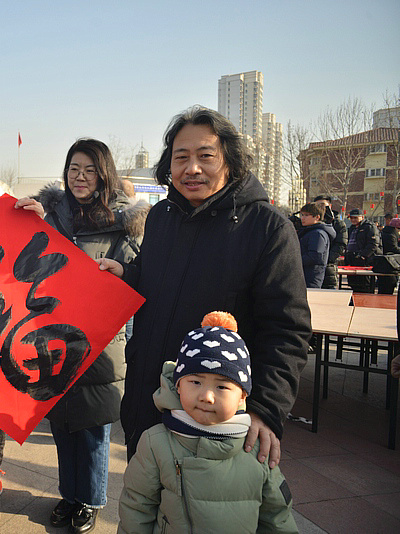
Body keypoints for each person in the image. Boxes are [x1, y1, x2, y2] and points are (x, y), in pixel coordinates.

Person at [97, 107, 310, 469]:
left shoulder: (266, 228)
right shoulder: (162, 217)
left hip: (215, 418)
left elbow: (286, 329)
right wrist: (126, 275)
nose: (191, 168)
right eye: (181, 157)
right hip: (150, 402)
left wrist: (266, 411)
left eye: (205, 156)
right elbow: (153, 280)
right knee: (142, 509)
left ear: (230, 161)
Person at [31, 138, 148, 534]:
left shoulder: (124, 223)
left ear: (103, 175)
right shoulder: (50, 216)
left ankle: (92, 500)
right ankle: (69, 495)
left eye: (89, 170)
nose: (80, 178)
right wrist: (26, 219)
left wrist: (119, 271)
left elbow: (137, 280)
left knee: (95, 429)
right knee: (62, 426)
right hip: (54, 340)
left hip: (101, 344)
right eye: (73, 169)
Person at [118, 312, 298, 534]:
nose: (207, 396)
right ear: (178, 385)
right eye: (195, 382)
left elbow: (277, 517)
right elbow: (136, 507)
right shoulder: (156, 443)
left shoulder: (257, 448)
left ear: (243, 395)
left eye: (222, 386)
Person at [297, 202, 334, 288]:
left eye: (306, 215)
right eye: (302, 215)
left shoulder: (317, 234)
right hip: (304, 275)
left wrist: (294, 261)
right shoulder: (309, 232)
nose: (302, 218)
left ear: (317, 217)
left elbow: (315, 256)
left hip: (311, 277)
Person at [345, 208, 381, 292]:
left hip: (364, 261)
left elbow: (373, 244)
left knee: (365, 285)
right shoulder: (352, 228)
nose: (353, 220)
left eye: (355, 218)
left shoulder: (369, 227)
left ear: (362, 217)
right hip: (352, 259)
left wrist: (363, 256)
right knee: (353, 284)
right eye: (351, 218)